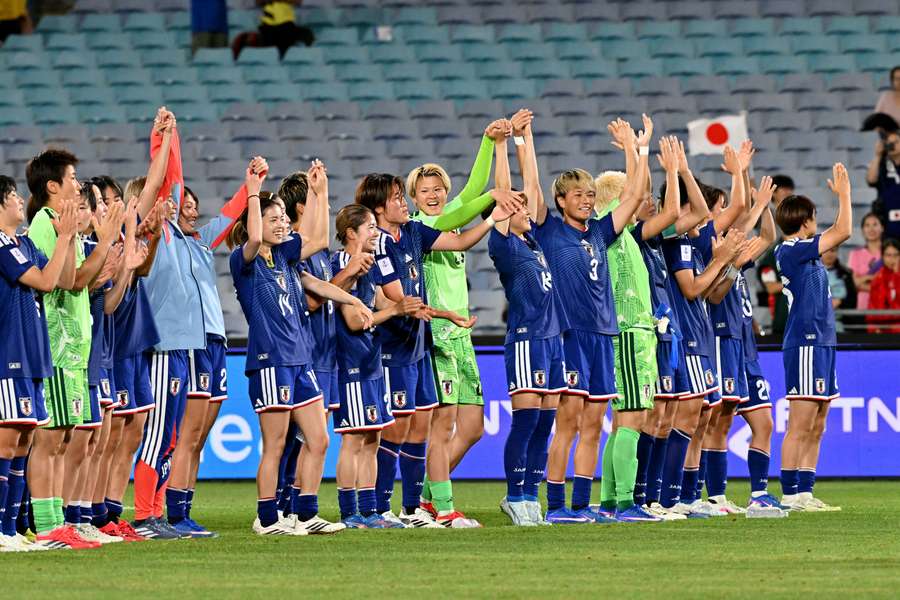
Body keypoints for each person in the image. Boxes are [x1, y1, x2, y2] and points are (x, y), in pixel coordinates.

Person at [356, 172, 517, 528]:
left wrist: (492, 217)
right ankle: (413, 507)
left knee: (435, 428)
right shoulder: (380, 242)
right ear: (381, 207)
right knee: (408, 430)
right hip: (403, 343)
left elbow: (459, 244)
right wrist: (445, 315)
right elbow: (399, 297)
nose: (403, 203)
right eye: (400, 197)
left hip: (427, 337)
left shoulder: (413, 232)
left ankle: (416, 506)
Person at [229, 160, 371, 536]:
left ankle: (306, 514)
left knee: (319, 438)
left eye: (282, 218)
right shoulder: (244, 263)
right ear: (255, 222)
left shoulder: (286, 261)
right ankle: (267, 518)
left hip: (301, 360)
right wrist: (253, 188)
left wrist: (354, 302)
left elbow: (319, 271)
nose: (281, 224)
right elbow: (256, 238)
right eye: (272, 217)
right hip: (270, 361)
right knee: (274, 444)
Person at [538, 115, 645, 526]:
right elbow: (531, 191)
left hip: (604, 335)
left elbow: (634, 195)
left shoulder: (599, 232)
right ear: (561, 201)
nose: (585, 199)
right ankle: (557, 506)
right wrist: (525, 141)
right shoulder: (550, 231)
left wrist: (633, 150)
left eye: (589, 194)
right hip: (571, 337)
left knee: (593, 427)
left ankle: (582, 506)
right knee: (566, 424)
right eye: (577, 194)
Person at [407, 119, 509, 528]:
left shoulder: (449, 214)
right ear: (414, 198)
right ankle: (442, 508)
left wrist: (488, 141)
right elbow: (472, 206)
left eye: (438, 190)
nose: (433, 196)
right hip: (437, 333)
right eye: (424, 191)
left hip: (462, 333)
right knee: (442, 422)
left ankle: (426, 499)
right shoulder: (422, 228)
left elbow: (469, 195)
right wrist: (491, 200)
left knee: (472, 426)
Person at [24, 149, 110, 550]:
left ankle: (57, 522)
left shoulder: (66, 227)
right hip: (56, 348)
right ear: (53, 186)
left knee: (63, 438)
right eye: (73, 177)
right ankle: (45, 526)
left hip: (74, 349)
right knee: (49, 439)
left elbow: (81, 281)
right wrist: (105, 242)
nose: (79, 184)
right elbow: (69, 281)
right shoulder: (46, 224)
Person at [593, 134, 682, 523]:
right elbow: (635, 189)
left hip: (640, 334)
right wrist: (637, 151)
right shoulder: (609, 233)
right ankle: (624, 502)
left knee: (629, 420)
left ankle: (613, 500)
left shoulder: (627, 237)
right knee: (629, 418)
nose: (641, 200)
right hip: (629, 333)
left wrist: (641, 153)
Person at [658, 145, 745, 518]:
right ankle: (671, 495)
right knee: (683, 419)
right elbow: (693, 290)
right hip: (687, 338)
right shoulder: (676, 243)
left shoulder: (694, 239)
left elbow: (706, 290)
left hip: (700, 336)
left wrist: (684, 170)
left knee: (697, 419)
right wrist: (724, 261)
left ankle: (686, 495)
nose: (708, 218)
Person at [628, 139, 710, 517]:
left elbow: (700, 211)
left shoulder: (659, 240)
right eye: (645, 199)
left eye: (651, 198)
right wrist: (664, 169)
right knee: (652, 418)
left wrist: (683, 171)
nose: (651, 204)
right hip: (647, 334)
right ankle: (641, 496)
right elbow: (678, 209)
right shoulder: (636, 237)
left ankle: (657, 498)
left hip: (667, 335)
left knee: (662, 418)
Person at [330, 205, 421, 529]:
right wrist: (394, 310)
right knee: (354, 440)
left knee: (372, 439)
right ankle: (349, 510)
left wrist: (406, 306)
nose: (375, 233)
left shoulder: (367, 267)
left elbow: (383, 303)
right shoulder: (343, 265)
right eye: (370, 227)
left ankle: (370, 511)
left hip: (372, 362)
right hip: (352, 363)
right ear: (352, 233)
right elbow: (356, 321)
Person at [487, 117, 558, 527]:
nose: (525, 209)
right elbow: (505, 196)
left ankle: (531, 497)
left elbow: (530, 190)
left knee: (545, 422)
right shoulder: (505, 244)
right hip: (528, 338)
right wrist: (501, 145)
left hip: (551, 341)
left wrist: (526, 140)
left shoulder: (533, 240)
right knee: (527, 419)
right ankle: (515, 496)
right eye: (518, 208)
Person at [0, 176, 77, 551]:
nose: (19, 201)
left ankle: (12, 528)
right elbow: (46, 283)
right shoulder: (1, 245)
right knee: (6, 440)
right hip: (9, 356)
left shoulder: (25, 243)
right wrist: (63, 237)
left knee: (24, 441)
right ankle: (1, 528)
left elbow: (63, 278)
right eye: (12, 196)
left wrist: (71, 237)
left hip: (33, 356)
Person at [775, 163, 852, 512]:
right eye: (814, 216)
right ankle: (790, 493)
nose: (816, 221)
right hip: (805, 343)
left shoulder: (804, 251)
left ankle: (805, 490)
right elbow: (845, 230)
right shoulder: (792, 249)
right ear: (804, 222)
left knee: (818, 421)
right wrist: (845, 195)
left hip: (822, 342)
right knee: (800, 422)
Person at [758, 175, 795, 334]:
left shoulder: (807, 249)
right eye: (784, 188)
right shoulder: (771, 256)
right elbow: (771, 287)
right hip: (783, 322)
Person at [866, 126, 900, 240]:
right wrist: (878, 155)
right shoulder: (881, 163)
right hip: (887, 219)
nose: (892, 145)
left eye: (896, 142)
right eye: (889, 143)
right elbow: (871, 179)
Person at [848, 212, 884, 310]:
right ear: (863, 230)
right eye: (867, 225)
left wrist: (862, 281)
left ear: (882, 228)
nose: (871, 229)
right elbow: (852, 283)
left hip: (887, 306)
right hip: (863, 307)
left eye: (875, 224)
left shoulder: (889, 253)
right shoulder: (855, 254)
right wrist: (870, 277)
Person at [866, 238, 900, 333]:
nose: (892, 259)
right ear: (883, 257)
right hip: (883, 331)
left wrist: (897, 275)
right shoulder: (877, 279)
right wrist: (874, 330)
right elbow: (872, 309)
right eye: (888, 255)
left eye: (896, 255)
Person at [822, 247, 857, 333]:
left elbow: (853, 300)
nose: (829, 254)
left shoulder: (846, 274)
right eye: (826, 251)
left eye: (833, 251)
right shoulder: (810, 274)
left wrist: (840, 302)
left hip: (842, 326)